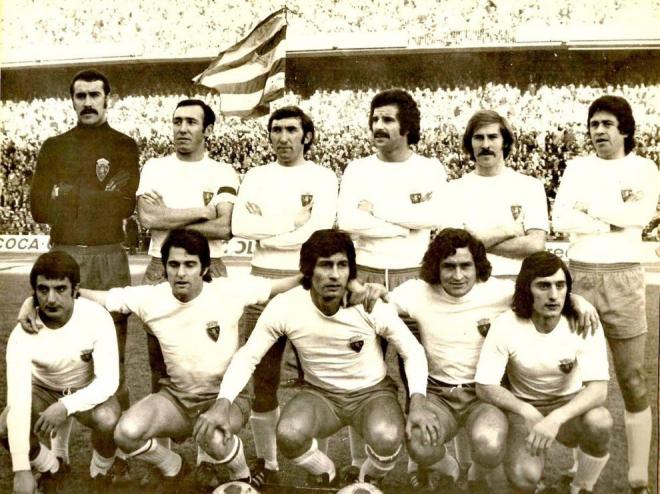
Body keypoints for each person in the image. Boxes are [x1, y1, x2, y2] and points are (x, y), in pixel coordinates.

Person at [197, 229, 436, 490]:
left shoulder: (369, 304)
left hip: (372, 393)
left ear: (351, 271)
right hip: (320, 395)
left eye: (342, 265)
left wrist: (419, 403)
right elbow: (248, 356)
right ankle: (326, 471)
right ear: (308, 270)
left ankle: (366, 477)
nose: (334, 275)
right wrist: (223, 403)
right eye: (325, 265)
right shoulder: (285, 305)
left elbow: (412, 351)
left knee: (387, 436)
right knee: (288, 434)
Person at [70, 229, 301, 491]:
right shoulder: (151, 297)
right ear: (165, 268)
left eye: (190, 265)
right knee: (126, 432)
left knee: (213, 438)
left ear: (204, 268)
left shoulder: (229, 290)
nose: (181, 273)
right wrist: (43, 298)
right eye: (174, 265)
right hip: (177, 398)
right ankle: (174, 467)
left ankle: (242, 476)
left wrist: (317, 275)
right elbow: (104, 298)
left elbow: (279, 286)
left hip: (227, 398)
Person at [388, 229, 598, 492]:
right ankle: (449, 467)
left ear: (478, 266)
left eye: (466, 266)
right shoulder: (415, 293)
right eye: (448, 267)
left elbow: (541, 291)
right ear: (435, 268)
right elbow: (376, 303)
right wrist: (363, 288)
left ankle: (477, 475)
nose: (458, 275)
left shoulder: (498, 291)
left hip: (483, 394)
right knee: (418, 442)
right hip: (438, 393)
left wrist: (577, 300)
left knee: (489, 443)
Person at [29, 70, 139, 460]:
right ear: (71, 100)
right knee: (59, 350)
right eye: (80, 95)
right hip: (64, 253)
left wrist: (69, 193)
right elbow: (39, 207)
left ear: (109, 99)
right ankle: (56, 453)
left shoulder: (125, 146)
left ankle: (106, 459)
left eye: (95, 94)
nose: (88, 102)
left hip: (110, 254)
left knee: (113, 354)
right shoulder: (54, 146)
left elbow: (123, 203)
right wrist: (96, 196)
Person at [552, 95, 660, 494]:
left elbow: (639, 217)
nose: (598, 131)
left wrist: (590, 211)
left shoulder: (643, 168)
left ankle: (638, 476)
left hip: (626, 278)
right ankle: (582, 471)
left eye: (606, 125)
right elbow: (560, 217)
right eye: (593, 124)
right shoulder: (578, 167)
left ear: (625, 129)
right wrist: (607, 217)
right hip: (580, 277)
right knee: (579, 378)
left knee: (633, 378)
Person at [337, 89, 447, 472]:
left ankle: (424, 463)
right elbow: (349, 222)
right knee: (360, 370)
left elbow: (433, 216)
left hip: (413, 277)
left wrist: (378, 212)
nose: (377, 126)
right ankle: (357, 463)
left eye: (387, 119)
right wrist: (404, 223)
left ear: (407, 127)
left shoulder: (430, 169)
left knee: (417, 369)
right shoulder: (357, 169)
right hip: (364, 276)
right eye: (375, 118)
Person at [231, 105, 338, 486]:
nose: (283, 137)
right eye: (276, 129)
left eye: (291, 129)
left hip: (307, 282)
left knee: (323, 374)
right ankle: (269, 465)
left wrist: (269, 228)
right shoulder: (257, 176)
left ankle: (319, 466)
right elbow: (240, 225)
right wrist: (291, 222)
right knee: (264, 377)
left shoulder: (323, 177)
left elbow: (320, 231)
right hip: (263, 282)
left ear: (306, 136)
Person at [475, 252, 612, 494]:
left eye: (560, 286)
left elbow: (599, 390)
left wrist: (557, 417)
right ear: (527, 289)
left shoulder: (583, 320)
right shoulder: (506, 324)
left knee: (599, 421)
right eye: (543, 286)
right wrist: (526, 410)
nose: (553, 295)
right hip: (525, 407)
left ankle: (582, 487)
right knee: (524, 479)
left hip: (568, 408)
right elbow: (485, 386)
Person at [137, 98, 239, 392]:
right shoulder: (155, 167)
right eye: (177, 121)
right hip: (161, 267)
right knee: (161, 361)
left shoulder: (223, 171)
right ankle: (160, 434)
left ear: (207, 129)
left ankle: (212, 433)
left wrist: (167, 216)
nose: (182, 128)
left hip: (211, 268)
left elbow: (224, 228)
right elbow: (147, 217)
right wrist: (202, 210)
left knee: (214, 359)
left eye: (191, 122)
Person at [2, 251, 122, 494]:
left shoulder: (97, 317)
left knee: (109, 418)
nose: (51, 299)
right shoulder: (22, 333)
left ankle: (100, 470)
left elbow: (109, 381)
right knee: (5, 426)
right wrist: (21, 470)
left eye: (60, 289)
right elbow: (19, 399)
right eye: (43, 289)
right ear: (34, 292)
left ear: (75, 289)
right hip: (43, 390)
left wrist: (65, 406)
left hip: (85, 388)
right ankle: (50, 466)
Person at [447, 110, 548, 277]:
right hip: (471, 284)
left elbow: (535, 245)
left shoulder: (530, 186)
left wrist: (474, 240)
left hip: (517, 282)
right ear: (469, 143)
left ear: (505, 142)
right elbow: (453, 248)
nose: (485, 145)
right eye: (479, 137)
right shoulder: (453, 189)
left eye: (493, 137)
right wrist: (507, 230)